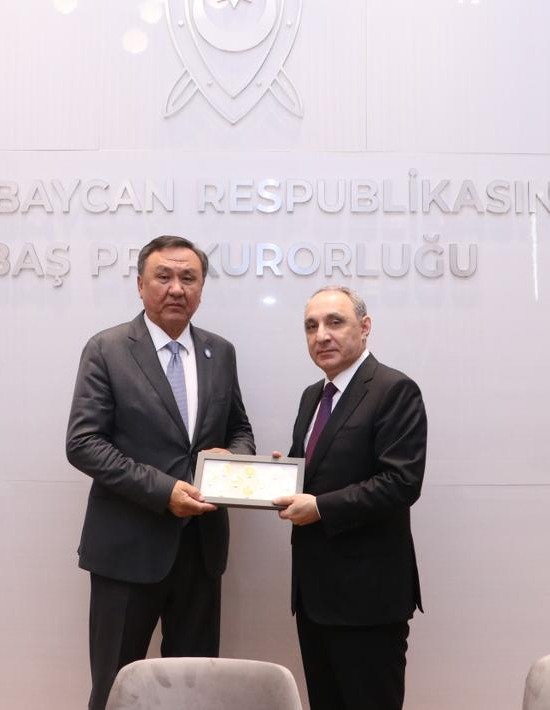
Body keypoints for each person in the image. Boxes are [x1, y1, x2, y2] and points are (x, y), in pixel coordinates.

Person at [66, 235, 256, 710]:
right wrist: (163, 490)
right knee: (115, 689)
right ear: (140, 284)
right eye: (164, 276)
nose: (176, 288)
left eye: (188, 278)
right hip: (127, 551)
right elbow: (83, 444)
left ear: (201, 289)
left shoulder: (221, 352)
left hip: (201, 551)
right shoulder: (107, 348)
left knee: (195, 692)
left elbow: (240, 428)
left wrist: (234, 458)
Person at [272, 286, 427, 710]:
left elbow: (401, 482)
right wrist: (282, 477)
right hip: (314, 597)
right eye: (311, 326)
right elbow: (318, 473)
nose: (321, 335)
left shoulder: (394, 389)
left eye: (334, 322)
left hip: (368, 601)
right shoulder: (312, 396)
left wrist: (320, 508)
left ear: (365, 326)